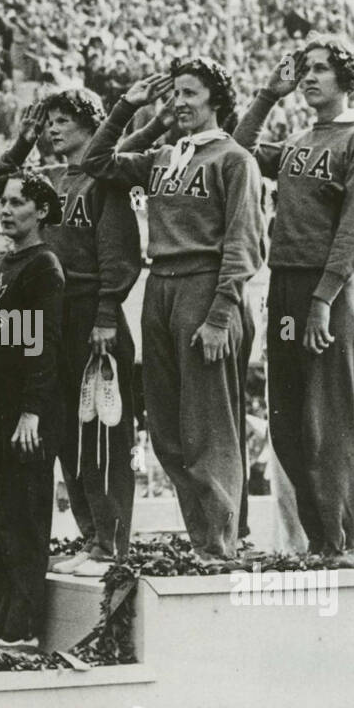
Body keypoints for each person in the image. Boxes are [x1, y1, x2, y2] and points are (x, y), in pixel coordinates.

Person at [83, 58, 262, 559]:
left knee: (208, 425)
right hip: (159, 286)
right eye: (175, 93)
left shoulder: (233, 159)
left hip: (205, 287)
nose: (180, 102)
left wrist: (221, 314)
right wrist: (132, 110)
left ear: (216, 101)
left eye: (190, 93)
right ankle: (202, 538)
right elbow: (97, 164)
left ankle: (222, 544)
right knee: (165, 427)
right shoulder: (165, 156)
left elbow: (244, 244)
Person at [233, 37, 354, 557]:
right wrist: (267, 96)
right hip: (284, 287)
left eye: (320, 69)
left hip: (331, 292)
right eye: (304, 70)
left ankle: (342, 543)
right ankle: (317, 541)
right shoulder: (300, 141)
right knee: (286, 421)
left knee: (329, 422)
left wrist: (323, 298)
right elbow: (239, 151)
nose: (309, 77)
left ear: (346, 80)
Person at [0, 88, 141, 574]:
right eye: (49, 121)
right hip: (54, 313)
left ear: (91, 123)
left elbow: (119, 252)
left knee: (101, 429)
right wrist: (24, 139)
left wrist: (105, 313)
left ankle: (111, 541)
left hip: (91, 313)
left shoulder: (104, 176)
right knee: (66, 433)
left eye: (63, 120)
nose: (53, 129)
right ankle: (89, 533)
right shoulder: (49, 179)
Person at [0, 172, 65, 646]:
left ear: (40, 210)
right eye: (2, 202)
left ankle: (22, 625)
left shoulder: (44, 267)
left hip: (25, 417)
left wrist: (33, 411)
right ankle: (0, 617)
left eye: (17, 202)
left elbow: (45, 347)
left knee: (19, 518)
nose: (5, 209)